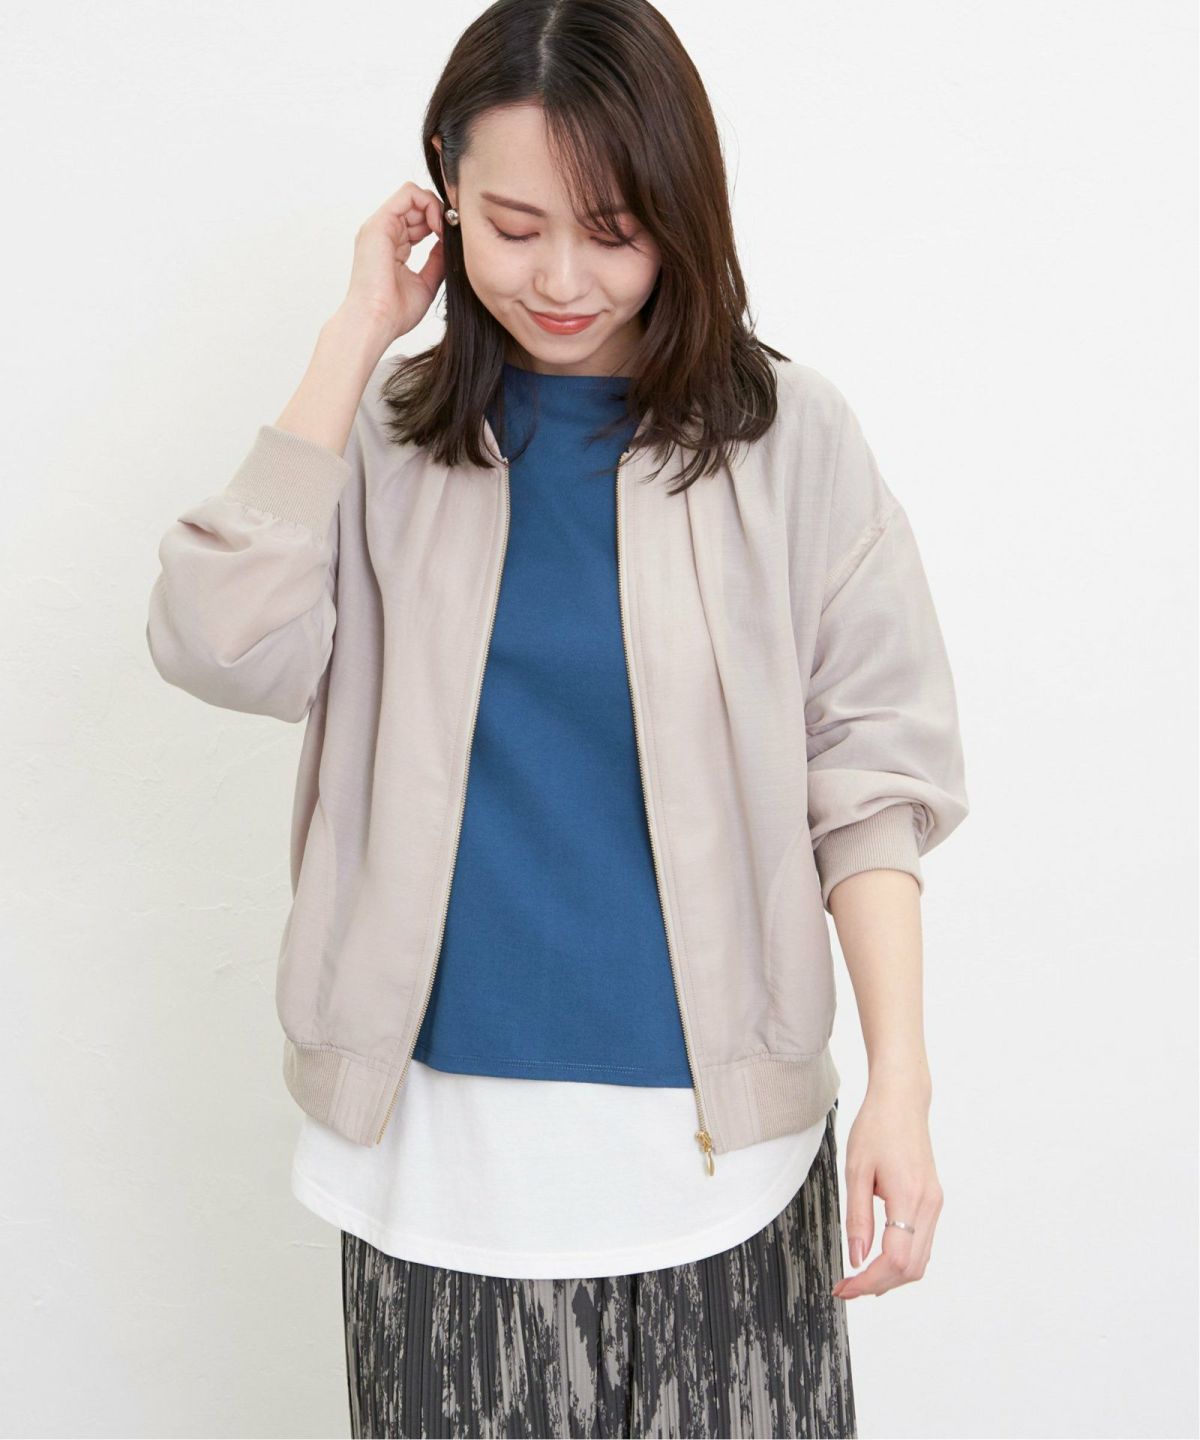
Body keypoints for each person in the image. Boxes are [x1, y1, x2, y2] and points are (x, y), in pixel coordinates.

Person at [145, 1, 969, 1434]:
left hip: (729, 1161)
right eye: (516, 227)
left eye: (614, 229)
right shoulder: (388, 442)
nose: (564, 278)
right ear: (446, 196)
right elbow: (222, 649)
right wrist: (355, 334)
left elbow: (869, 780)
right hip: (439, 1164)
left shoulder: (790, 439)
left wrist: (901, 1081)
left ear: (681, 216)